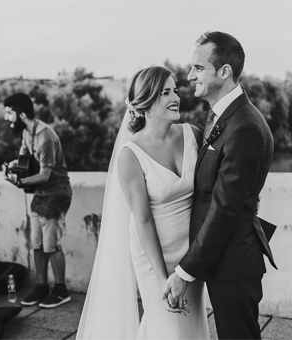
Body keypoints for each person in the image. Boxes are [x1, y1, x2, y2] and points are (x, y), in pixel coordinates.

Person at [76, 66, 209, 339]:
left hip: (191, 252)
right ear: (146, 103)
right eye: (165, 93)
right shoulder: (130, 155)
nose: (176, 97)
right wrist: (163, 279)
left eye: (175, 90)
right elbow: (143, 220)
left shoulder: (192, 134)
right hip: (154, 256)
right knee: (168, 325)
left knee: (192, 325)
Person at [163, 31, 276, 340]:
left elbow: (224, 207)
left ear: (224, 72)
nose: (189, 76)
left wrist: (185, 272)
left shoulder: (245, 128)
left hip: (234, 262)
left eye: (198, 68)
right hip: (222, 258)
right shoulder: (224, 116)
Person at [1, 93, 73, 308]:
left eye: (9, 113)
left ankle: (61, 290)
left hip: (56, 194)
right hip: (40, 195)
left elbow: (44, 175)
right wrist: (13, 168)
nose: (6, 118)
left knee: (51, 245)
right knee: (37, 244)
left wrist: (19, 181)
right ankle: (42, 286)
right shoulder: (26, 132)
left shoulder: (45, 137)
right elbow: (24, 160)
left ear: (21, 114)